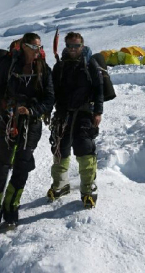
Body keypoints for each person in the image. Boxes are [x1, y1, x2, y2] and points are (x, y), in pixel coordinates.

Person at [0, 33, 55, 233]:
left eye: (39, 47)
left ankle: (10, 208)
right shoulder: (8, 66)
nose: (37, 50)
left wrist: (32, 110)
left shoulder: (43, 69)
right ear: (23, 46)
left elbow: (50, 98)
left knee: (22, 167)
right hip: (8, 122)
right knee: (0, 168)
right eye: (33, 46)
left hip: (31, 125)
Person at [47, 32, 103, 209]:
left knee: (84, 149)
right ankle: (61, 184)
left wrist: (98, 111)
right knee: (59, 149)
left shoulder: (89, 63)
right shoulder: (60, 66)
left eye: (76, 46)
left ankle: (88, 188)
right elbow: (52, 91)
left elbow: (98, 88)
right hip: (63, 113)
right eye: (70, 46)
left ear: (82, 46)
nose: (73, 49)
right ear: (65, 46)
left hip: (85, 112)